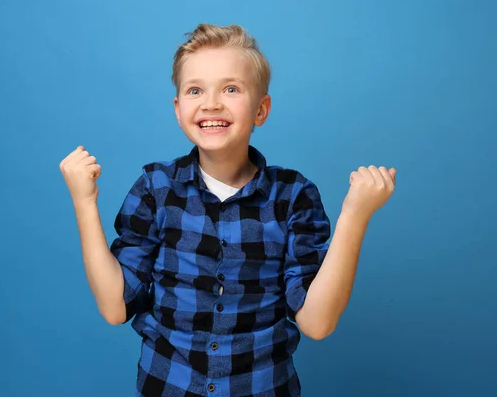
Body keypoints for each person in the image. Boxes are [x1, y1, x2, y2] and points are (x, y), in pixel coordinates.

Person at [59, 23, 396, 397]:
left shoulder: (293, 196)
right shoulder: (155, 189)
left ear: (261, 109)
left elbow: (317, 322)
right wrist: (84, 201)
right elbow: (114, 307)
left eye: (231, 89)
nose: (211, 103)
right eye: (195, 90)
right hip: (167, 386)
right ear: (178, 108)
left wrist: (355, 214)